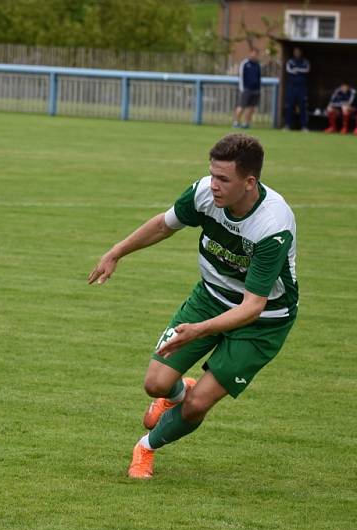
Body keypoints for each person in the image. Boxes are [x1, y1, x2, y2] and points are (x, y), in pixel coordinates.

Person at [88, 134, 298, 480]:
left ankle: (145, 448)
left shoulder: (272, 227)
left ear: (249, 182)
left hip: (263, 321)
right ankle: (178, 390)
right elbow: (163, 225)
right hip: (210, 298)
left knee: (199, 404)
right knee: (156, 384)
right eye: (212, 175)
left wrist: (198, 331)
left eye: (223, 179)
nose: (213, 185)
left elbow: (252, 307)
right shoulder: (203, 192)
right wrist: (116, 252)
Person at [232, 48, 261, 129]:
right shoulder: (245, 63)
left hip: (255, 89)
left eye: (256, 53)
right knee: (241, 106)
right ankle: (236, 122)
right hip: (246, 89)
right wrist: (242, 88)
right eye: (253, 53)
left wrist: (258, 88)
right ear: (250, 53)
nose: (255, 55)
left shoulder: (257, 64)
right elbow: (241, 77)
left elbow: (259, 77)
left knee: (251, 107)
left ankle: (246, 123)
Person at [284, 47, 310, 131]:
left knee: (303, 107)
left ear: (301, 52)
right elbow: (289, 70)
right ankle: (288, 125)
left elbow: (306, 70)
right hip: (291, 88)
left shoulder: (305, 62)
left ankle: (304, 126)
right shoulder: (290, 61)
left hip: (302, 88)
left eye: (298, 52)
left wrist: (296, 69)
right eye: (295, 52)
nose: (297, 53)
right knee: (289, 106)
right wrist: (298, 70)